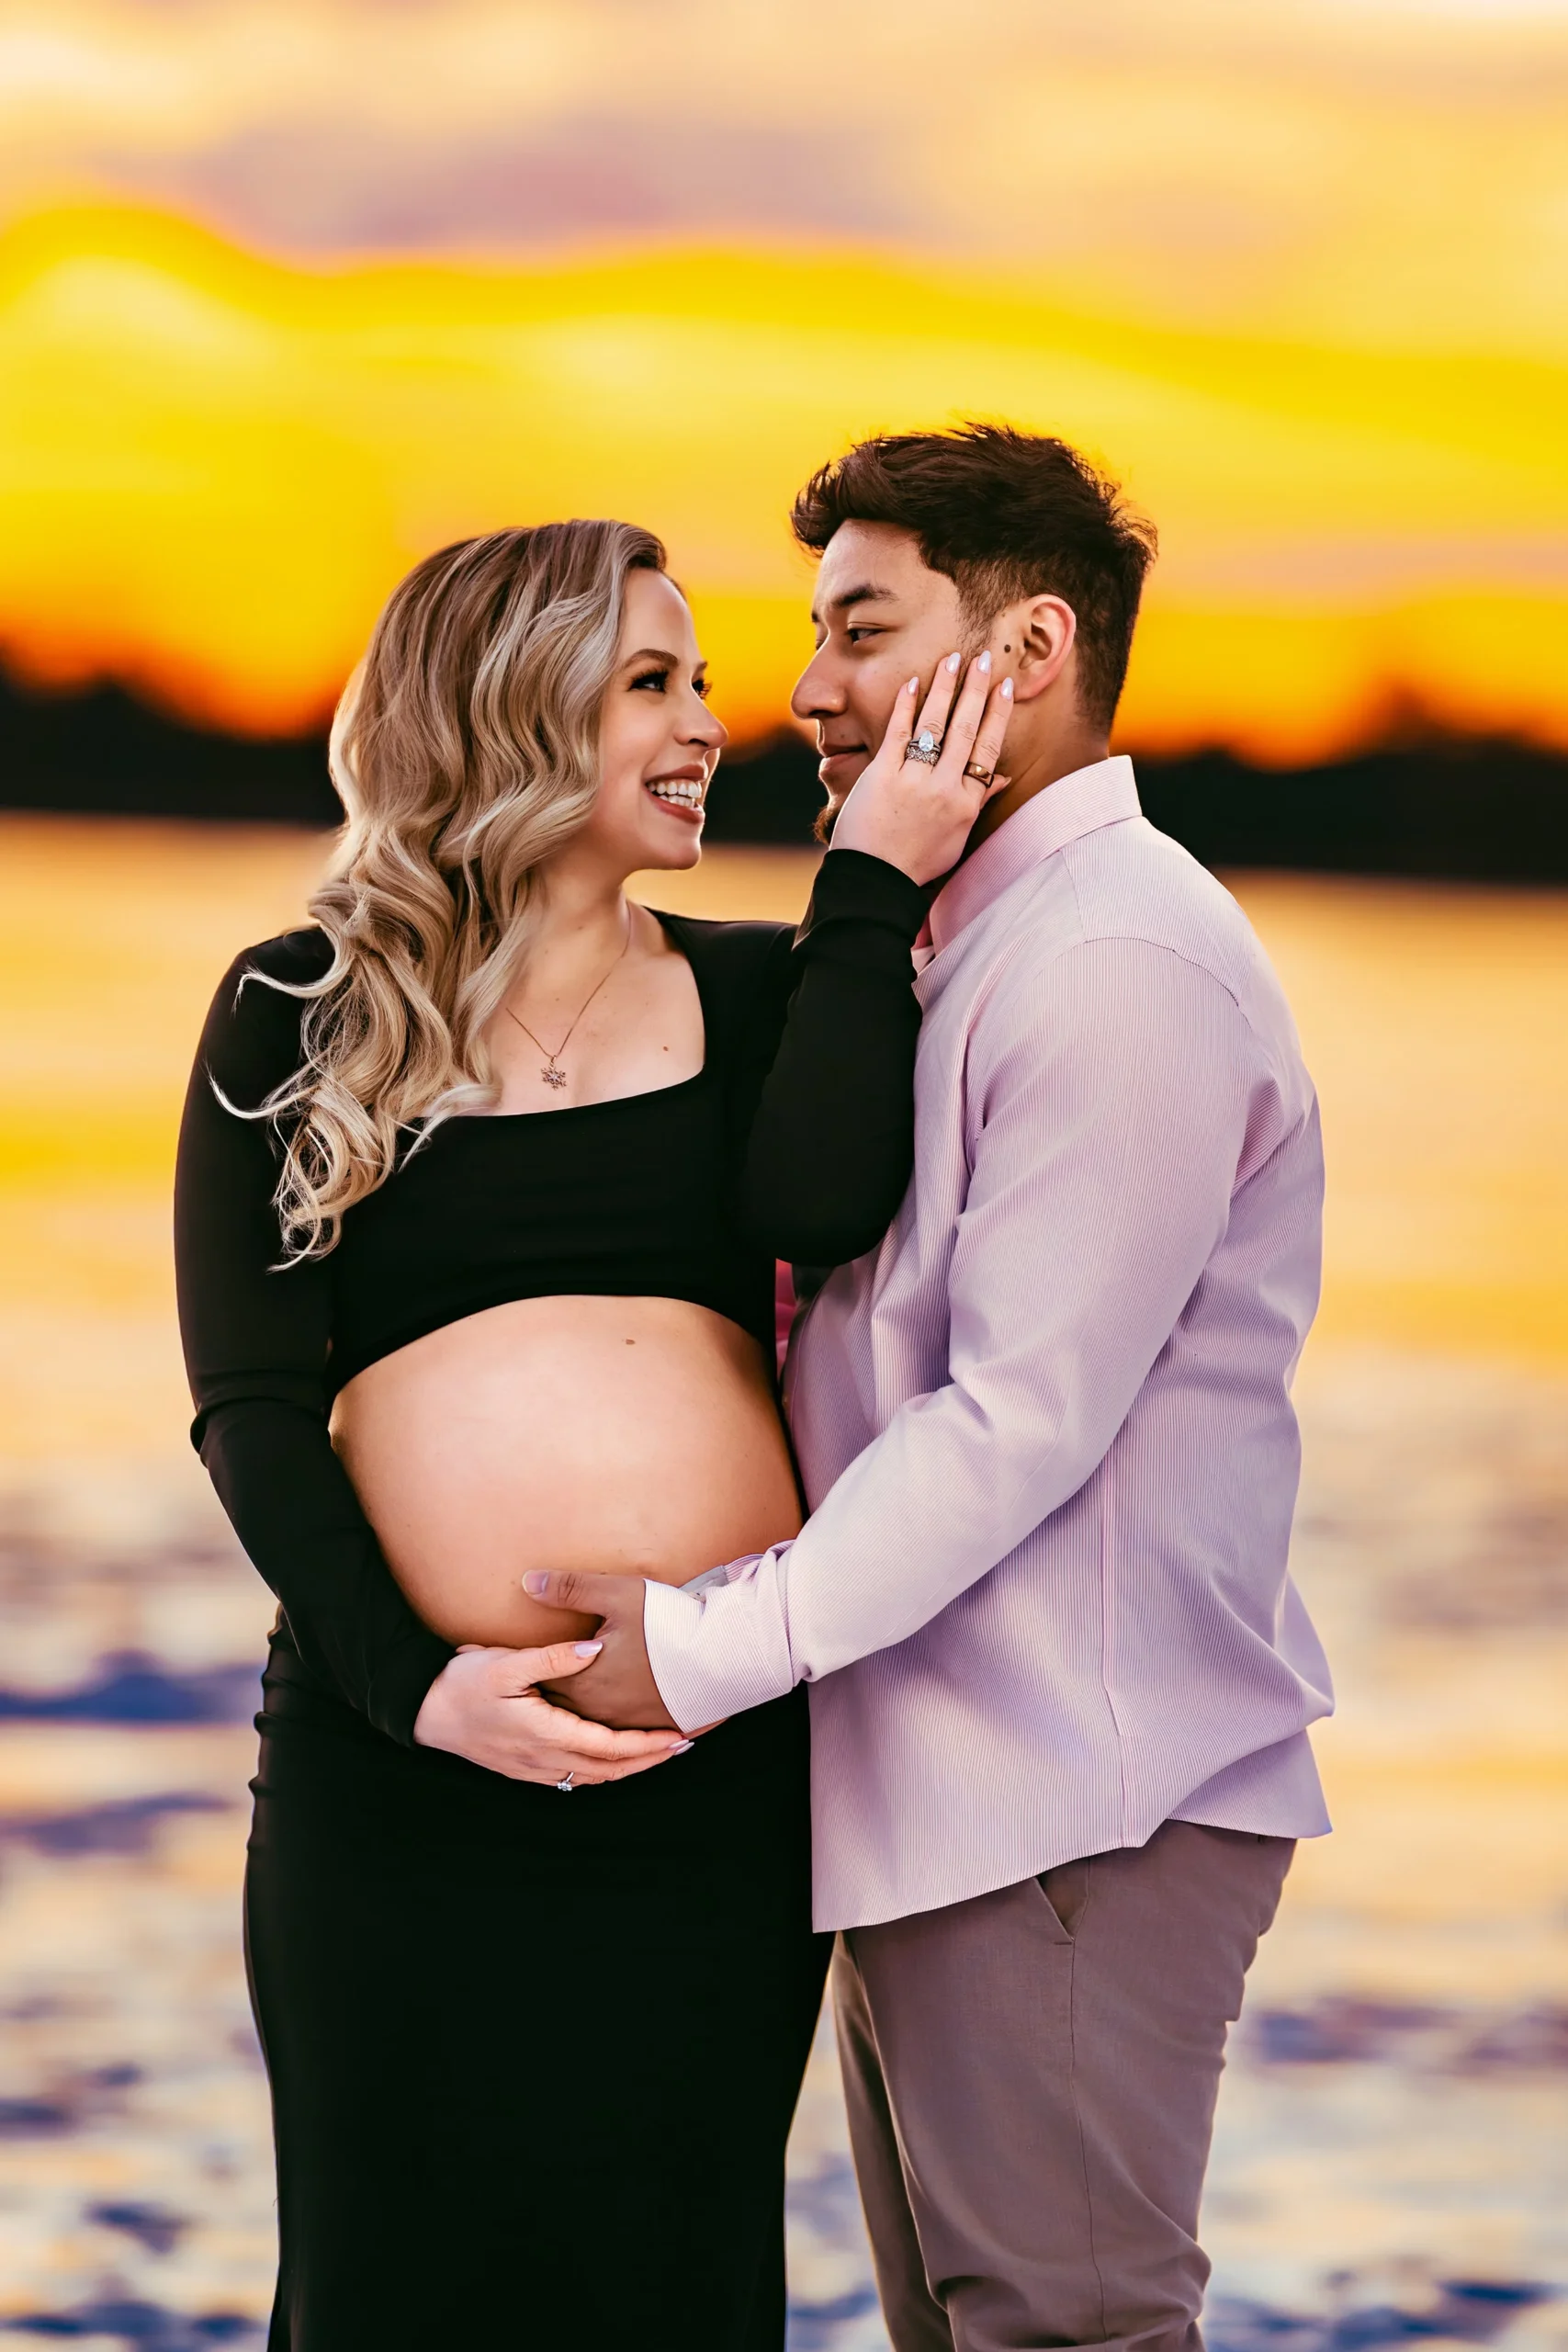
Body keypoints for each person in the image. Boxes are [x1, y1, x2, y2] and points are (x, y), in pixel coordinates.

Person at [531, 429, 1337, 2352]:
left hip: (1070, 1801)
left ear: (1031, 645)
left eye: (863, 630)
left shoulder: (1118, 957)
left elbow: (1014, 1425)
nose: (806, 689)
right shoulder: (968, 936)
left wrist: (707, 1646)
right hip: (950, 1786)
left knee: (1063, 2329)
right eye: (809, 635)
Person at [173, 517, 1012, 2351]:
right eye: (655, 680)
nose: (711, 721)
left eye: (701, 679)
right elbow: (247, 1404)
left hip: (697, 1789)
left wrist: (863, 892)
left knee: (673, 2284)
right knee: (386, 2290)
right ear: (513, 704)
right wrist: (418, 1684)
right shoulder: (297, 1007)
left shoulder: (761, 992)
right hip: (391, 1775)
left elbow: (824, 1193)